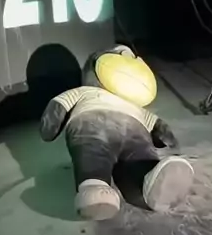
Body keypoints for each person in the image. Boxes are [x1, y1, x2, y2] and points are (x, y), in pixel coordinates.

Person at [39, 44, 194, 220]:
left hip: (135, 132)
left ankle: (151, 187)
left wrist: (165, 136)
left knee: (140, 160)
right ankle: (95, 190)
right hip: (93, 125)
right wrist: (50, 126)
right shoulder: (86, 92)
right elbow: (61, 104)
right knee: (93, 154)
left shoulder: (134, 106)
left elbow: (153, 122)